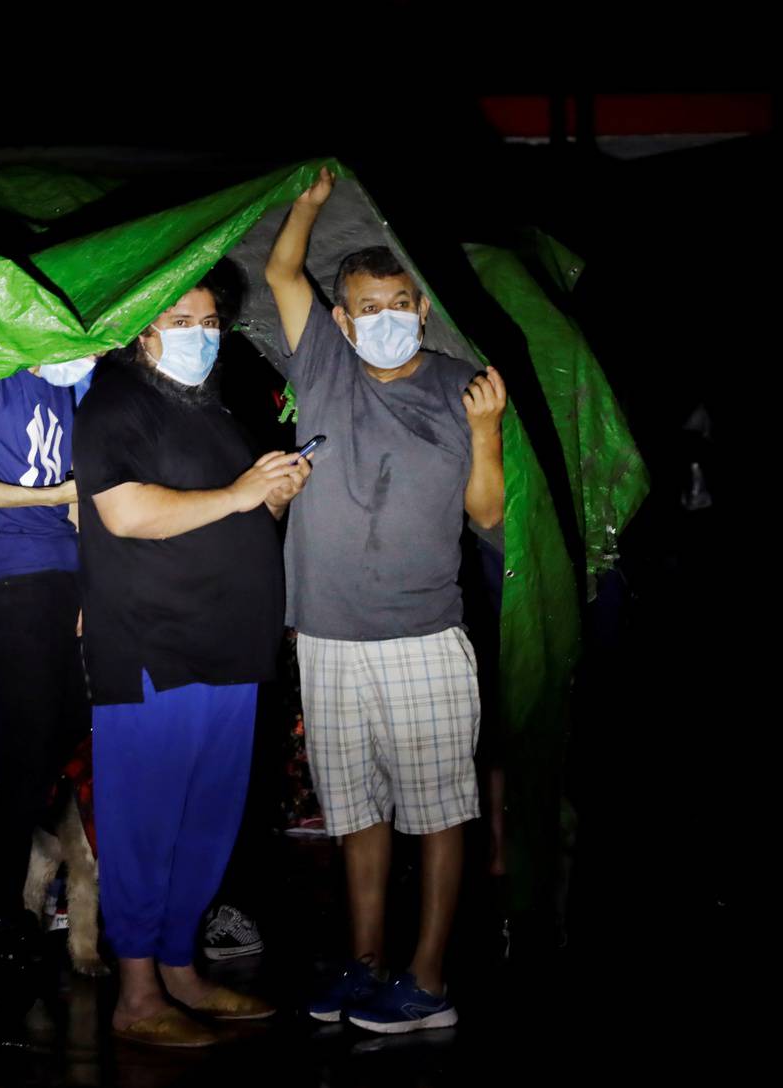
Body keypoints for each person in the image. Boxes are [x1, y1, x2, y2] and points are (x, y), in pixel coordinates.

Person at [266, 166, 506, 1034]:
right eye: (368, 306)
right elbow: (283, 275)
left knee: (440, 812)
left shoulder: (462, 386)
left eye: (400, 301)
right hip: (326, 635)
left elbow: (487, 515)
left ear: (423, 307)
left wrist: (485, 435)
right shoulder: (325, 369)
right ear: (342, 319)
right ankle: (366, 962)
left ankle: (429, 979)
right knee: (355, 813)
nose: (387, 317)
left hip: (423, 633)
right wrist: (308, 204)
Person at [73, 275, 310, 1049]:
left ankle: (180, 969)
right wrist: (243, 495)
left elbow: (234, 507)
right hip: (155, 649)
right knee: (145, 826)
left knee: (205, 824)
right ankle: (136, 993)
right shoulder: (113, 402)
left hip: (227, 647)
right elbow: (127, 511)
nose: (201, 334)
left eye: (210, 322)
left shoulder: (210, 406)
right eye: (182, 320)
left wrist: (273, 491)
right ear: (145, 331)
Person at [0, 355, 95, 938]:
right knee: (31, 741)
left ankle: (35, 876)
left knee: (68, 731)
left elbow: (84, 502)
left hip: (64, 571)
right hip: (5, 570)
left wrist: (90, 583)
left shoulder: (68, 387)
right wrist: (60, 492)